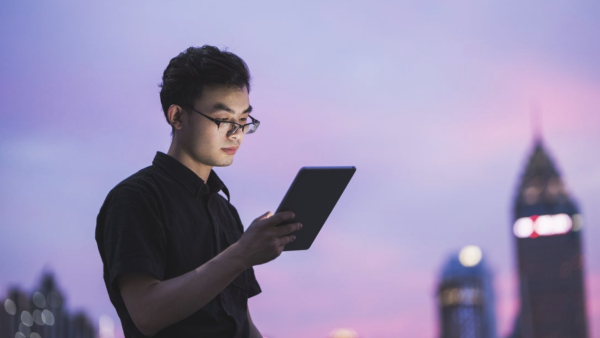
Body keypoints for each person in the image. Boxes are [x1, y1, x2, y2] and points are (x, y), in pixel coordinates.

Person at [95, 45, 302, 338]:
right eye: (223, 119)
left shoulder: (225, 211)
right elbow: (146, 313)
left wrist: (239, 255)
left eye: (244, 119)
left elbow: (241, 322)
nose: (237, 133)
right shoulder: (136, 198)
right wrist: (241, 254)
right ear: (177, 117)